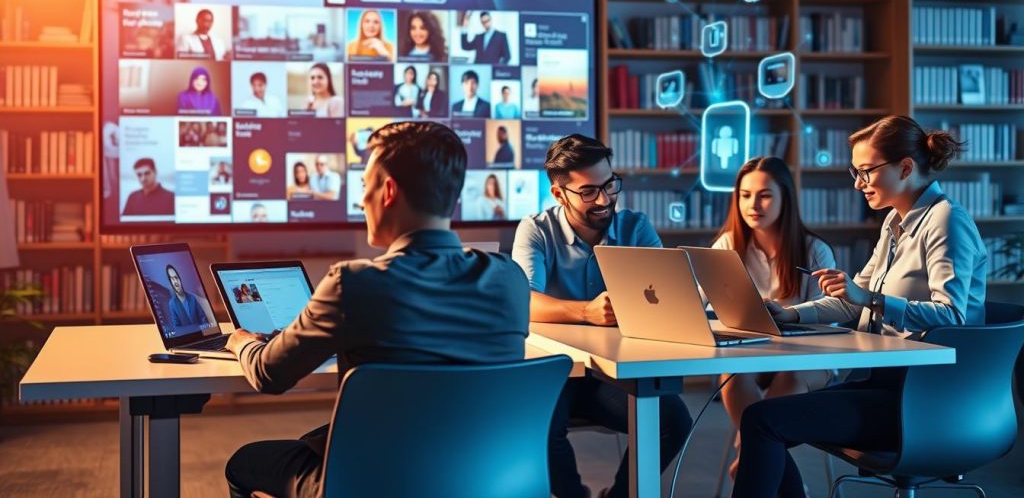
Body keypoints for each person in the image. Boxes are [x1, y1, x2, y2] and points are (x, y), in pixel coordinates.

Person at [224, 121, 531, 498]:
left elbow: (268, 374)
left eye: (364, 186)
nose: (360, 200)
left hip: (369, 483)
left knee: (244, 463)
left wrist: (241, 342)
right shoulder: (510, 280)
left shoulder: (353, 284)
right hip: (483, 480)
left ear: (387, 191)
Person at [732, 115, 987, 498]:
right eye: (856, 171)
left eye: (866, 171)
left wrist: (871, 299)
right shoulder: (893, 223)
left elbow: (952, 317)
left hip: (923, 400)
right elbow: (852, 301)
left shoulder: (946, 221)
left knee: (763, 422)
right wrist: (794, 313)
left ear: (905, 168)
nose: (857, 183)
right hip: (883, 383)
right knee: (763, 421)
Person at [512, 134, 691, 498]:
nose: (604, 199)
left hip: (611, 372)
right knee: (540, 427)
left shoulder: (635, 227)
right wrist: (587, 313)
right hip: (554, 370)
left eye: (610, 185)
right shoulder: (535, 230)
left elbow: (669, 299)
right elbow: (523, 301)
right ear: (560, 194)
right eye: (589, 191)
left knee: (674, 420)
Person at [709, 157, 836, 480]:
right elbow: (700, 298)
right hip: (753, 355)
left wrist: (789, 314)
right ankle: (763, 461)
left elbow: (833, 314)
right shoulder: (727, 245)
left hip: (809, 360)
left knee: (791, 377)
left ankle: (749, 449)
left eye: (764, 195)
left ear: (785, 198)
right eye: (745, 195)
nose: (753, 205)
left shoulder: (814, 249)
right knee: (733, 378)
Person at [165, 264, 212, 329]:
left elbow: (203, 318)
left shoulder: (192, 298)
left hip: (201, 332)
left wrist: (207, 330)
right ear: (170, 282)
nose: (175, 282)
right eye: (172, 279)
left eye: (176, 277)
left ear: (180, 279)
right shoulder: (172, 303)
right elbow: (177, 327)